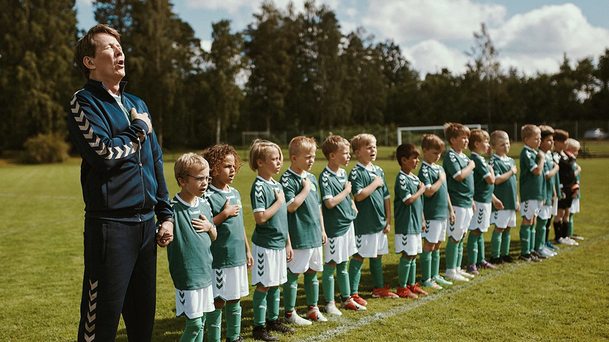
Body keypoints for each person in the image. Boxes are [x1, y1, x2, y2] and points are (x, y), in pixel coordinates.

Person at [68, 24, 174, 341]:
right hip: (110, 229)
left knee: (142, 325)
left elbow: (154, 160)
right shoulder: (83, 102)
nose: (119, 52)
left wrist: (165, 214)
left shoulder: (138, 105)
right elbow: (104, 154)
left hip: (145, 228)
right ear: (89, 61)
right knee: (100, 325)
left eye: (120, 47)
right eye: (109, 48)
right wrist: (137, 131)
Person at [202, 145, 253, 342]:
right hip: (220, 259)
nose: (232, 170)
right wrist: (224, 214)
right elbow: (205, 226)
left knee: (235, 298)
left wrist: (247, 251)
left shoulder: (236, 193)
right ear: (213, 169)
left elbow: (239, 227)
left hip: (237, 256)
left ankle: (234, 337)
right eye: (226, 166)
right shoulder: (207, 196)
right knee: (218, 300)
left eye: (234, 166)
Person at [167, 153, 217, 342]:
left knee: (201, 322)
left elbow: (214, 235)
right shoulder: (172, 208)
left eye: (207, 178)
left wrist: (209, 227)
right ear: (182, 180)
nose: (205, 183)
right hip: (187, 274)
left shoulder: (205, 203)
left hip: (205, 271)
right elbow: (163, 234)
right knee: (194, 325)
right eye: (199, 178)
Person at [248, 139, 294, 341]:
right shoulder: (259, 186)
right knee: (264, 285)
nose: (278, 163)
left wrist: (288, 243)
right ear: (260, 162)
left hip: (279, 244)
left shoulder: (277, 185)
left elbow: (282, 218)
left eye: (279, 158)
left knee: (276, 283)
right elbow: (260, 218)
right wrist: (279, 202)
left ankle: (273, 320)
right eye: (273, 159)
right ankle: (259, 327)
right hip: (265, 245)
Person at [280, 136, 328, 325]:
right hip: (299, 235)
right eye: (307, 157)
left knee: (313, 272)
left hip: (315, 234)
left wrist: (322, 230)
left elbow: (317, 207)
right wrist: (305, 189)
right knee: (293, 274)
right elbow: (291, 206)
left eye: (313, 156)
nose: (312, 160)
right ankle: (290, 313)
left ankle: (312, 308)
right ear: (293, 158)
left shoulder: (312, 177)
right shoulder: (287, 179)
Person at [318, 135, 367, 314]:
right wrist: (347, 191)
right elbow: (329, 203)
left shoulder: (342, 173)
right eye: (344, 153)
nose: (348, 156)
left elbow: (347, 196)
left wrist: (352, 203)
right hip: (334, 228)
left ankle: (346, 298)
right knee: (331, 265)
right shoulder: (325, 177)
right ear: (332, 156)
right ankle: (330, 303)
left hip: (347, 224)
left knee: (343, 264)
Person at [348, 133, 398, 300]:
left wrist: (388, 220)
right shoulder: (356, 172)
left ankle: (379, 288)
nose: (373, 150)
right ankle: (352, 293)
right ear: (357, 152)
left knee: (378, 255)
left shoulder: (378, 170)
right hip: (364, 224)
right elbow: (359, 196)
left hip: (379, 222)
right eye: (368, 147)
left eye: (375, 146)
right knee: (359, 256)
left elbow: (386, 197)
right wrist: (375, 183)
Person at [418, 134, 455, 289]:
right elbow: (429, 191)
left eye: (440, 153)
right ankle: (426, 278)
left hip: (442, 213)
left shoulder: (439, 168)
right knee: (429, 245)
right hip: (431, 214)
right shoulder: (425, 170)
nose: (438, 156)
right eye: (434, 152)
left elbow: (445, 192)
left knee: (437, 245)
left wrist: (451, 209)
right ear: (425, 151)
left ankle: (435, 275)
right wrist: (441, 179)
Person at [393, 144, 429, 299]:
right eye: (414, 158)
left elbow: (418, 203)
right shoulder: (401, 178)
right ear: (403, 160)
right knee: (407, 254)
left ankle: (411, 284)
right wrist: (421, 190)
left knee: (414, 255)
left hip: (415, 223)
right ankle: (402, 287)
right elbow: (408, 200)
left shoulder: (414, 178)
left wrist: (422, 219)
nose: (417, 161)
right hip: (406, 223)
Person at [442, 123, 476, 282]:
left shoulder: (464, 156)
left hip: (467, 202)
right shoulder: (451, 156)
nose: (466, 141)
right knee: (455, 237)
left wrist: (472, 200)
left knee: (462, 236)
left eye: (467, 138)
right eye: (463, 137)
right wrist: (471, 165)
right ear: (453, 140)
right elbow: (458, 176)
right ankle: (450, 269)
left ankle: (457, 267)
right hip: (456, 201)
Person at [465, 129, 501, 275]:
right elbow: (491, 180)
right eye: (485, 142)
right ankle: (472, 264)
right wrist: (491, 170)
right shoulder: (476, 159)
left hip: (485, 201)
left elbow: (487, 185)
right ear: (477, 143)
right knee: (475, 231)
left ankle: (480, 260)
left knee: (480, 232)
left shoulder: (481, 159)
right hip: (479, 201)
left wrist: (494, 199)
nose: (488, 145)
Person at [488, 130, 518, 264]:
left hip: (511, 200)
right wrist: (511, 172)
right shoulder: (493, 161)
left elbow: (514, 182)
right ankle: (495, 256)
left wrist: (517, 199)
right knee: (500, 228)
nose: (506, 146)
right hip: (501, 200)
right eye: (502, 144)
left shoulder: (511, 160)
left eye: (507, 143)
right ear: (494, 147)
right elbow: (497, 180)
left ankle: (505, 254)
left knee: (508, 228)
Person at [518, 124, 545, 262]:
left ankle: (532, 249)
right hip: (529, 193)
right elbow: (537, 171)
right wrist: (541, 159)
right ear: (526, 139)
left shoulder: (534, 152)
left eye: (540, 138)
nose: (539, 141)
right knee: (527, 220)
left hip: (537, 193)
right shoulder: (526, 153)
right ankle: (525, 252)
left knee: (533, 220)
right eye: (536, 138)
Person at [533, 126, 560, 259]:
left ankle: (542, 245)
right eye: (549, 140)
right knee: (541, 222)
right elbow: (547, 175)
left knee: (545, 222)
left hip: (549, 193)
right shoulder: (540, 155)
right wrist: (556, 167)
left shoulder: (548, 155)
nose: (551, 143)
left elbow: (551, 179)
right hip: (542, 193)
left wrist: (554, 191)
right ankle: (538, 247)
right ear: (541, 142)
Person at [555, 138, 581, 246]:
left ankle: (566, 236)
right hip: (563, 188)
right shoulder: (560, 157)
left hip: (570, 189)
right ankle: (559, 236)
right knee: (560, 213)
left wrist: (575, 187)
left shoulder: (569, 158)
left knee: (567, 213)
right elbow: (566, 174)